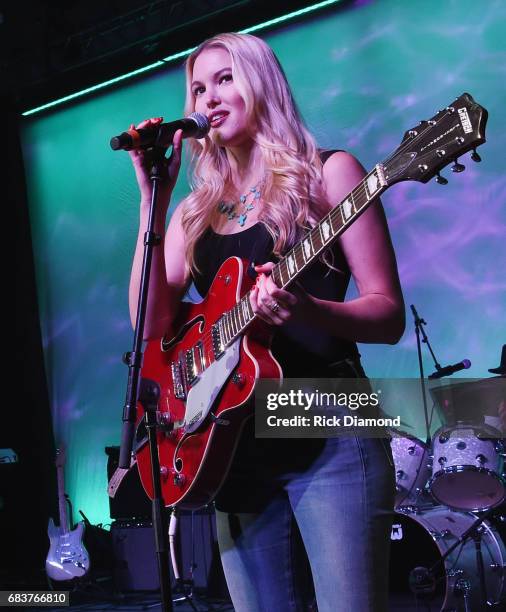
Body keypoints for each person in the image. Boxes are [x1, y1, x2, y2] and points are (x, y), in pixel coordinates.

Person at [128, 33, 405, 612]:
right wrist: (153, 200)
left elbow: (387, 313)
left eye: (225, 79)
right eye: (198, 88)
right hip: (232, 434)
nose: (208, 97)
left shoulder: (329, 172)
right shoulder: (193, 212)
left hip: (325, 408)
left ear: (262, 82)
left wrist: (309, 309)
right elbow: (149, 322)